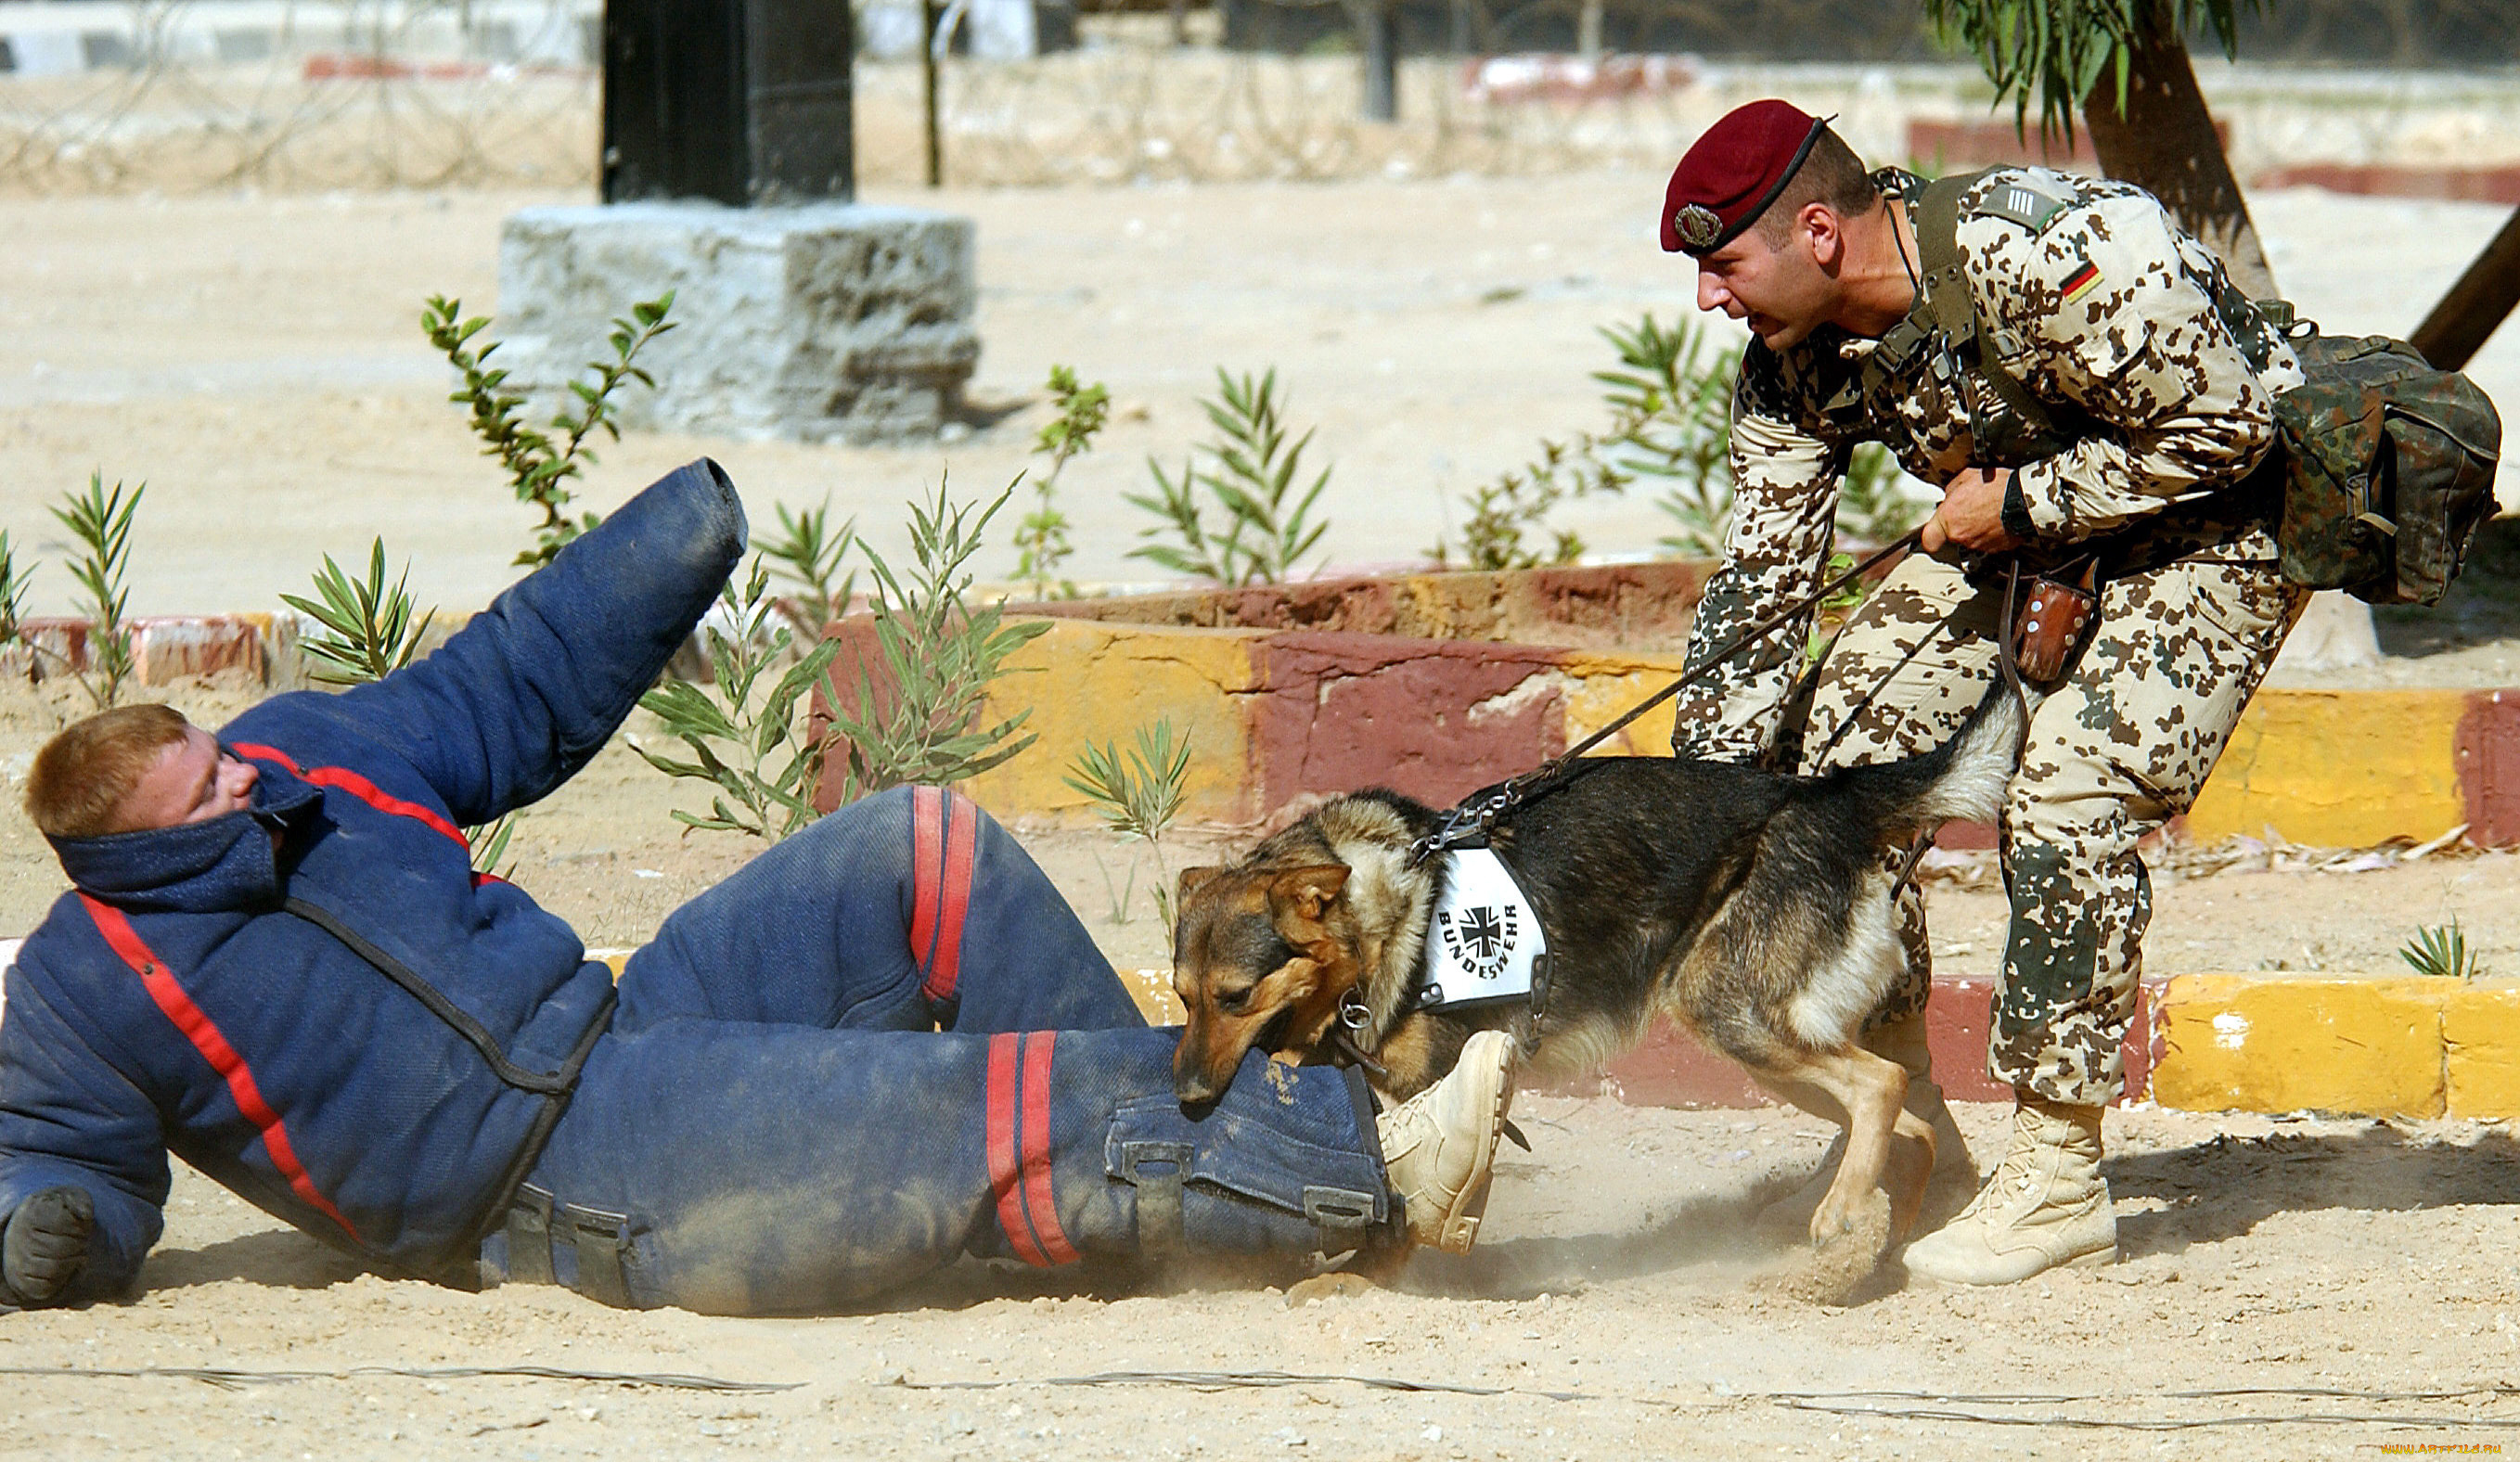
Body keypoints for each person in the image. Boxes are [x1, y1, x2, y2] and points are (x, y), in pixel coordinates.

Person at [0, 460, 1518, 1315]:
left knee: (916, 848)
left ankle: (1188, 1205)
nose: (249, 779)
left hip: (624, 1025)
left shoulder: (299, 751)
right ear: (140, 851)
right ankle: (1350, 1171)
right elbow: (49, 1157)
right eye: (212, 791)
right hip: (550, 1179)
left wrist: (671, 539)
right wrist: (44, 1231)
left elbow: (504, 685)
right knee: (953, 1116)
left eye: (225, 755)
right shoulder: (83, 989)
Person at [1658, 101, 2305, 1284]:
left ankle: (2057, 1174)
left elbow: (2228, 427)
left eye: (1722, 264)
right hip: (2025, 534)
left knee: (2065, 791)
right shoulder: (1789, 367)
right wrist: (1701, 797)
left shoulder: (2066, 250)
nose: (1709, 296)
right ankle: (1910, 1141)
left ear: (1816, 232)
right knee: (1822, 785)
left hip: (2219, 522)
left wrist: (2013, 507)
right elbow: (1761, 585)